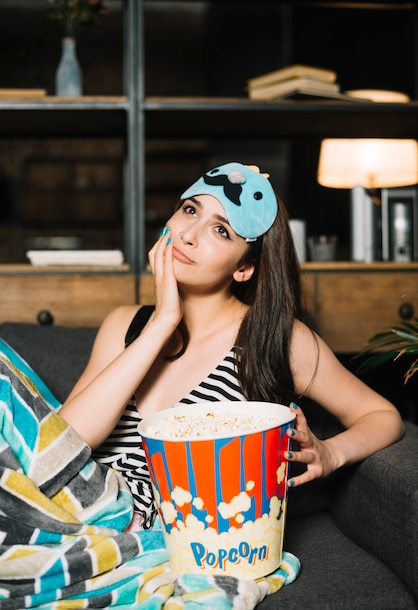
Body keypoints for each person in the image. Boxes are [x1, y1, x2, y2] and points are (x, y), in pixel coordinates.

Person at [59, 162, 404, 531]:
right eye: (190, 210)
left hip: (166, 537)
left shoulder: (278, 340)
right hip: (75, 508)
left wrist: (332, 452)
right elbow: (63, 447)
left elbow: (382, 417)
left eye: (220, 230)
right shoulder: (125, 325)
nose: (189, 235)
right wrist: (161, 325)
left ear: (244, 269)